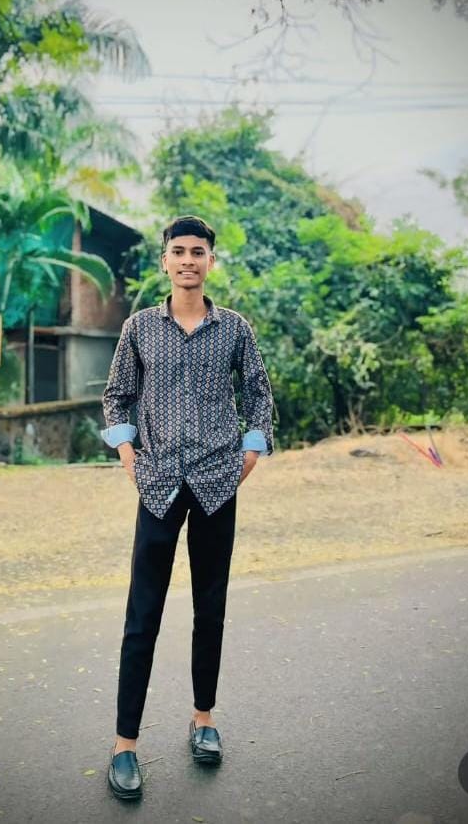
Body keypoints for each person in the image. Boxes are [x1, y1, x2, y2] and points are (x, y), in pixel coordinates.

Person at [101, 214, 274, 800]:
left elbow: (258, 393)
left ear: (211, 261)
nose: (188, 261)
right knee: (142, 615)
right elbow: (117, 394)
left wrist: (250, 453)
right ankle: (125, 745)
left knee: (210, 608)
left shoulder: (235, 329)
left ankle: (203, 719)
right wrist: (128, 454)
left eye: (198, 252)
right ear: (165, 261)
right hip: (157, 485)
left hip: (217, 483)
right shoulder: (140, 328)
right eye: (178, 251)